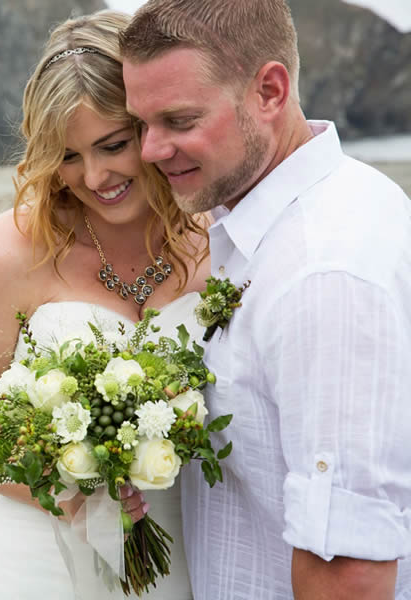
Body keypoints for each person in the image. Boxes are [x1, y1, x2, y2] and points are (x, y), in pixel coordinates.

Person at [120, 1, 411, 598]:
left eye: (179, 120)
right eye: (141, 124)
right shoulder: (257, 226)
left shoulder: (324, 271)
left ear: (270, 91)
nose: (150, 150)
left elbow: (348, 569)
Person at [0, 9, 211, 600]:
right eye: (69, 155)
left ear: (150, 126)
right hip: (39, 565)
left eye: (113, 144)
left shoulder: (222, 239)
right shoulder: (12, 251)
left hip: (192, 559)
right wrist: (67, 488)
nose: (96, 175)